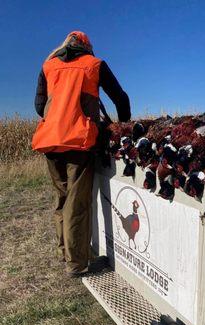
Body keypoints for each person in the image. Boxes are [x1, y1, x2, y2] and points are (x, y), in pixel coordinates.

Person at [32, 31, 131, 277]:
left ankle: (64, 250)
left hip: (50, 141)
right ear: (87, 46)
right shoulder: (94, 64)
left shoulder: (49, 65)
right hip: (79, 140)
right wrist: (124, 126)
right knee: (78, 203)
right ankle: (76, 263)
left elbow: (38, 105)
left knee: (62, 199)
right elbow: (121, 98)